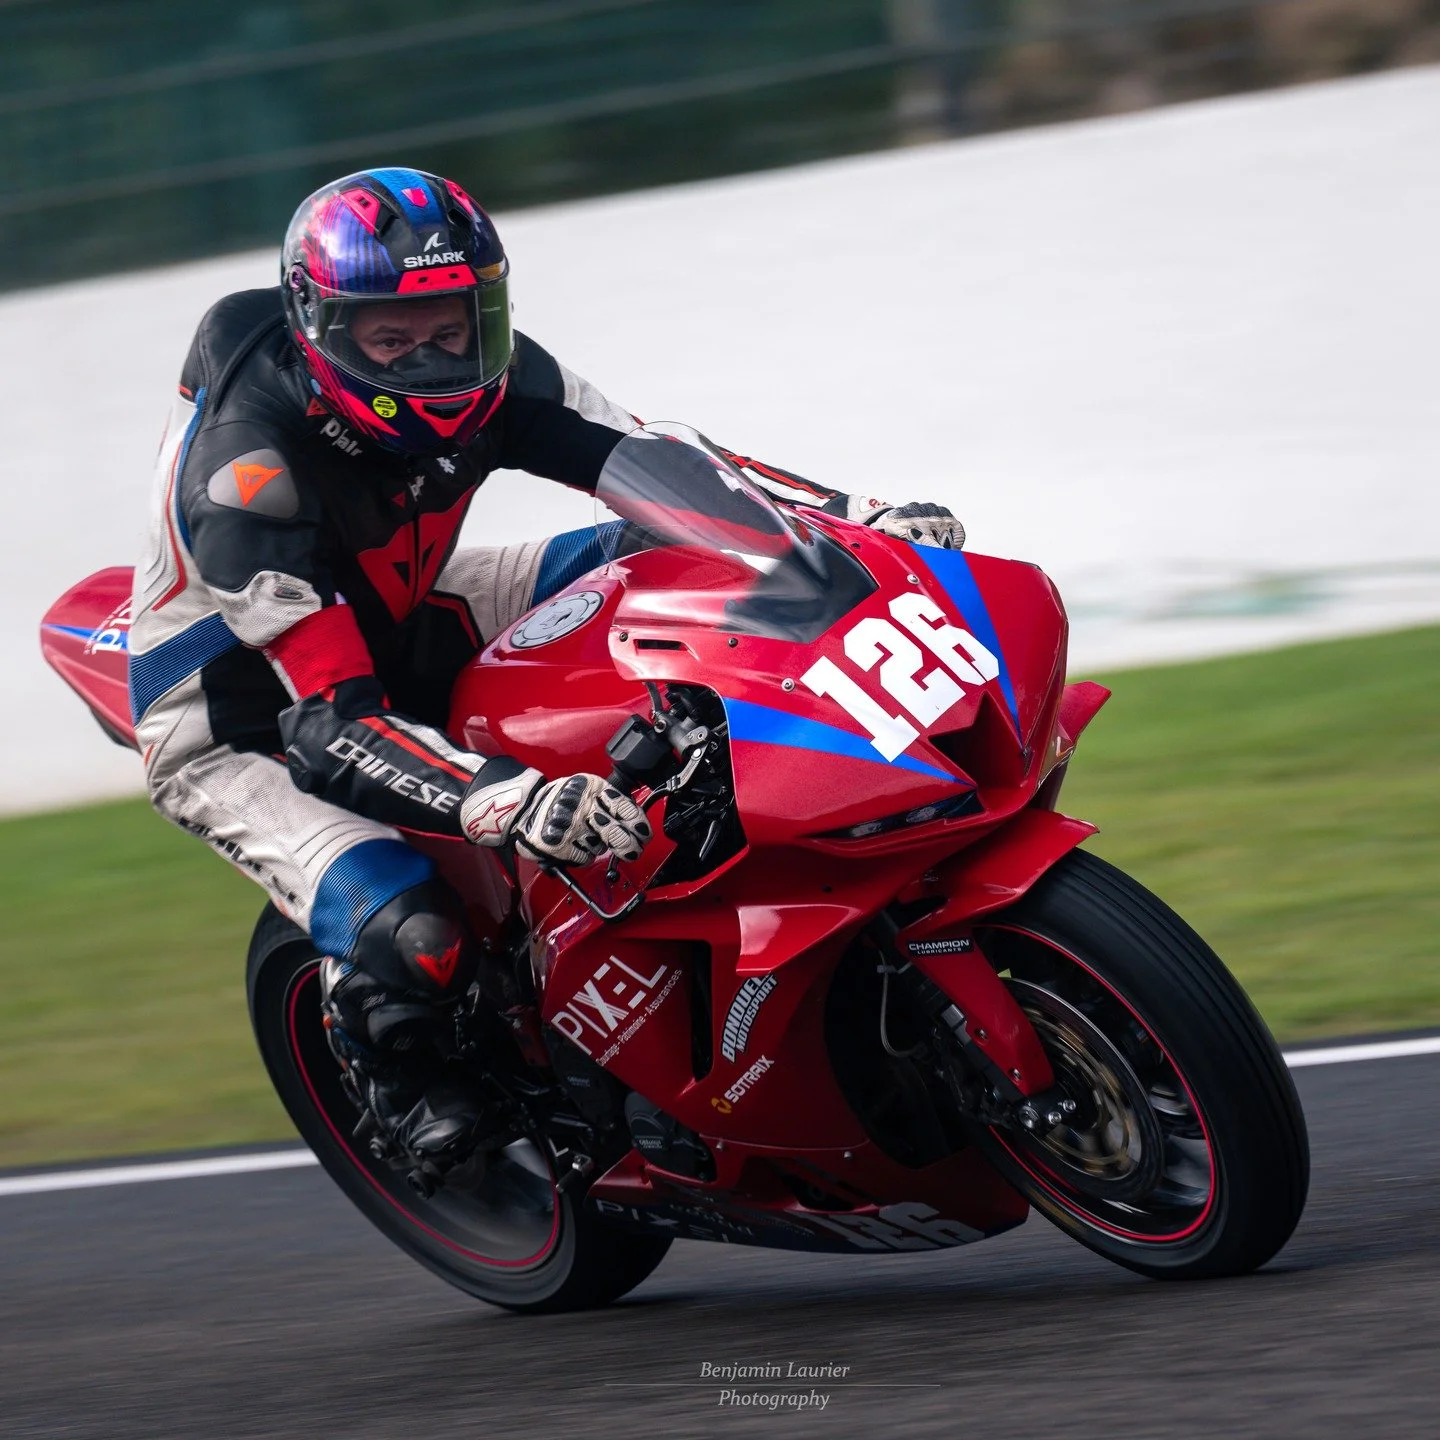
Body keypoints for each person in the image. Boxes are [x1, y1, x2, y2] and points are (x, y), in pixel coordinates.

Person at [128, 166, 963, 1180]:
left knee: (669, 558)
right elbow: (330, 725)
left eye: (453, 326)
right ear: (321, 329)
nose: (433, 360)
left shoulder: (501, 374)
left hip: (416, 604)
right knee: (420, 934)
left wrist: (852, 523)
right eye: (392, 338)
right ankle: (395, 1070)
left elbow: (660, 466)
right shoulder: (245, 477)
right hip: (247, 714)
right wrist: (508, 799)